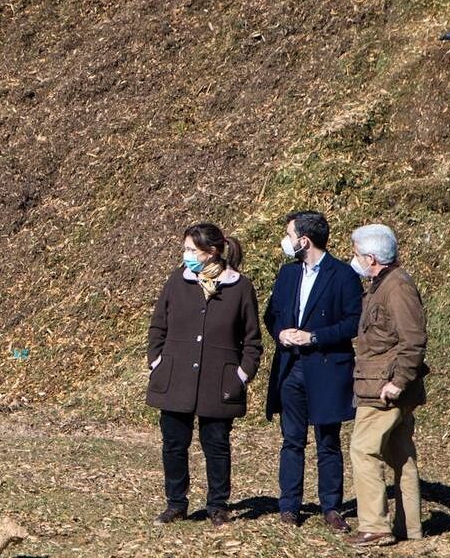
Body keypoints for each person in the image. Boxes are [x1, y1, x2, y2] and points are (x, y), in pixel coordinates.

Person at [146, 222, 263, 528]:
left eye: (191, 250)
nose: (185, 255)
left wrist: (241, 375)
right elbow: (158, 325)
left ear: (211, 252)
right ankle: (176, 503)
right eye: (185, 249)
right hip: (175, 377)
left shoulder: (240, 287)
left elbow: (252, 341)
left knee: (216, 444)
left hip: (219, 380)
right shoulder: (177, 280)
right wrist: (156, 361)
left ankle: (218, 505)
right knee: (173, 443)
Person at [264, 210, 360, 532]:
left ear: (304, 240)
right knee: (292, 440)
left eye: (289, 235)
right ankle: (289, 505)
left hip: (327, 369)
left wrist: (315, 337)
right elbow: (272, 314)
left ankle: (331, 507)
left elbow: (352, 323)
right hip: (291, 368)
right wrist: (281, 333)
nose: (286, 241)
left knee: (328, 442)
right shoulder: (288, 274)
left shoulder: (343, 275)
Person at [344, 223, 428, 548]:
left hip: (384, 390)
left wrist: (397, 382)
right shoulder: (382, 285)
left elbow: (414, 340)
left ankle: (375, 527)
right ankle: (410, 527)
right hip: (379, 383)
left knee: (363, 450)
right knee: (401, 456)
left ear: (371, 257)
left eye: (356, 254)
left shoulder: (397, 288)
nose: (354, 259)